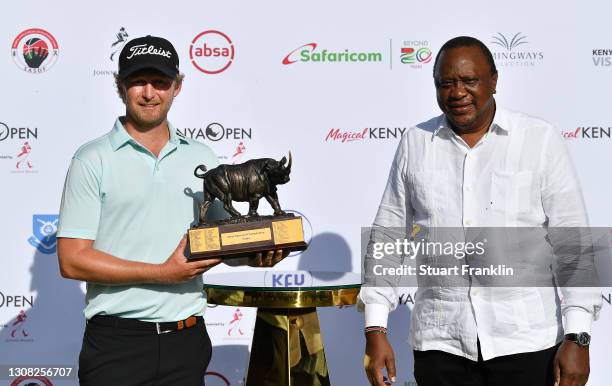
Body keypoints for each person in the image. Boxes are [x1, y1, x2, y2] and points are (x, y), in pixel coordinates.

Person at [359, 36, 601, 386]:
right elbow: (388, 237)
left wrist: (578, 336)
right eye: (446, 83)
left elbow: (573, 243)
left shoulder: (539, 140)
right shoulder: (415, 143)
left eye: (469, 81)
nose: (458, 92)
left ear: (494, 80)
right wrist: (375, 327)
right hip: (441, 345)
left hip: (527, 343)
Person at [57, 35, 285, 386]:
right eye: (138, 82)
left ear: (177, 87)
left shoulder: (202, 158)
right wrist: (162, 273)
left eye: (160, 82)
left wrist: (254, 254)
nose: (149, 93)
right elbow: (72, 260)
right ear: (121, 88)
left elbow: (222, 241)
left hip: (187, 341)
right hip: (117, 345)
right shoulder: (92, 159)